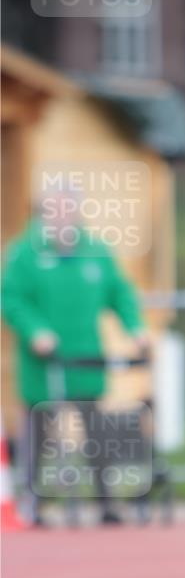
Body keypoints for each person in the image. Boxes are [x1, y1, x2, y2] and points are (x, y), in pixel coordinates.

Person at [1, 192, 151, 526]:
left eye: (68, 211)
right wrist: (35, 330)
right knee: (39, 436)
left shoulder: (95, 252)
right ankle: (35, 505)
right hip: (43, 366)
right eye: (55, 212)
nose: (62, 219)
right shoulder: (25, 253)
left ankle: (106, 503)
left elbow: (119, 293)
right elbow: (11, 299)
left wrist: (135, 328)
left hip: (87, 362)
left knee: (97, 432)